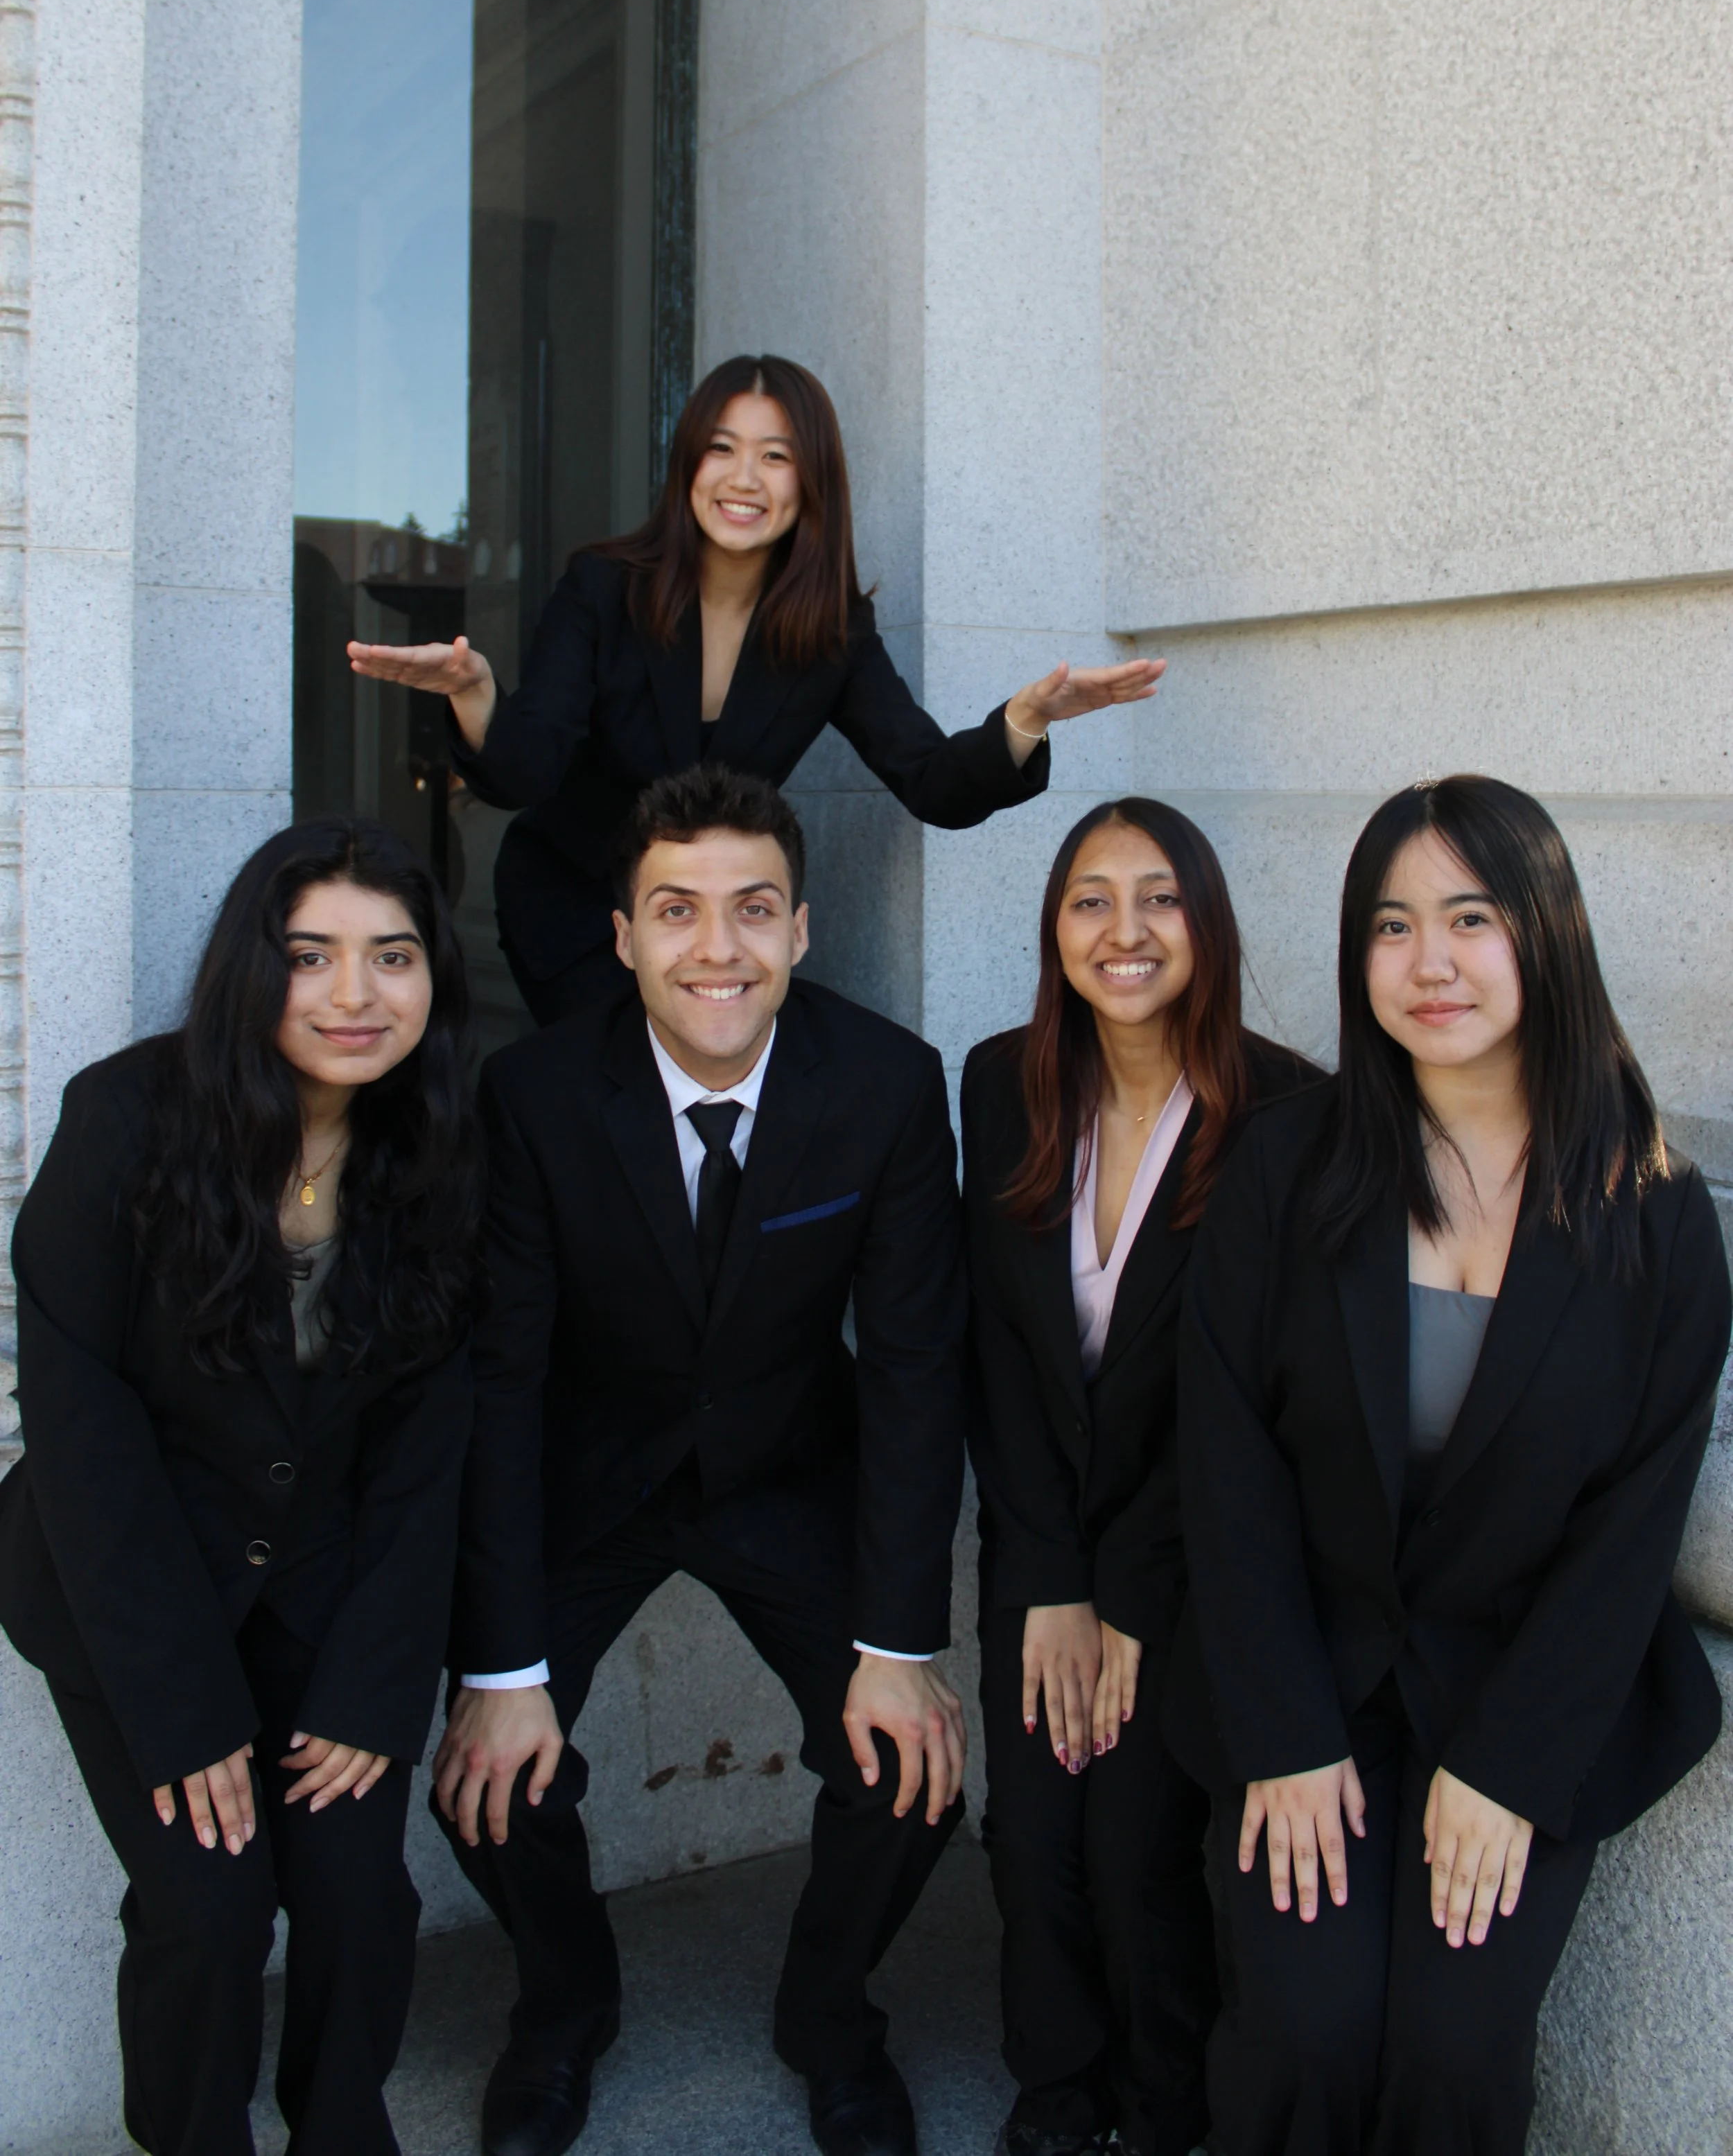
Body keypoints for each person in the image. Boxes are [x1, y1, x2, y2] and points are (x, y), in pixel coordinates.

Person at [1164, 774, 1732, 2156]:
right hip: (1307, 1676)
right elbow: (1223, 1463)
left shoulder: (1650, 1219)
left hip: (1523, 1693)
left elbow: (1628, 1529)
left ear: (1544, 932)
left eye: (1467, 918)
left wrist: (1508, 1770)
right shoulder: (1288, 1170)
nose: (1428, 964)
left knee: (1453, 2043)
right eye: (1389, 925)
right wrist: (1285, 1739)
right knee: (1302, 2023)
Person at [432, 762, 970, 2156]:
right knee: (488, 1773)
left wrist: (900, 1642)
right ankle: (562, 2010)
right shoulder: (537, 1094)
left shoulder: (889, 1087)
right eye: (676, 911)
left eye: (751, 911)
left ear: (800, 928)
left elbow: (913, 1372)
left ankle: (828, 2018)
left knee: (911, 1770)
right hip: (585, 1473)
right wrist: (500, 1672)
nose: (715, 948)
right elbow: (502, 1380)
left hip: (792, 1467)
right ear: (622, 937)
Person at [0, 818, 481, 2156]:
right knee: (209, 1913)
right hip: (141, 1594)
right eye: (310, 954)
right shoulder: (126, 1116)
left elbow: (428, 1444)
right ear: (247, 969)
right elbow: (83, 1431)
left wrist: (378, 1687)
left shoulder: (441, 1148)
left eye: (393, 956)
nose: (353, 994)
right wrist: (185, 1710)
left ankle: (342, 2130)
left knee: (355, 1896)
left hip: (330, 1594)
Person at [347, 353, 1165, 1023]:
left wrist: (1025, 718)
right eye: (722, 448)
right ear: (688, 463)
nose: (745, 478)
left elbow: (933, 782)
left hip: (721, 930)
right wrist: (475, 690)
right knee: (608, 1108)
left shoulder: (830, 627)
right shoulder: (603, 587)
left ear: (811, 483)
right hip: (579, 913)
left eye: (775, 457)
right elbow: (527, 771)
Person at [962, 799, 1317, 2156]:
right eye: (1089, 900)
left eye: (1158, 897)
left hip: (1195, 1551)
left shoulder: (1286, 1111)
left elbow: (1256, 1405)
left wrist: (1128, 1593)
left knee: (1134, 1850)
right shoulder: (1000, 1084)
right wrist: (1051, 1578)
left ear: (1206, 923)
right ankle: (1056, 2099)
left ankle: (1162, 2110)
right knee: (1032, 1843)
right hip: (1040, 1545)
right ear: (1054, 932)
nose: (1124, 930)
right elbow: (998, 1351)